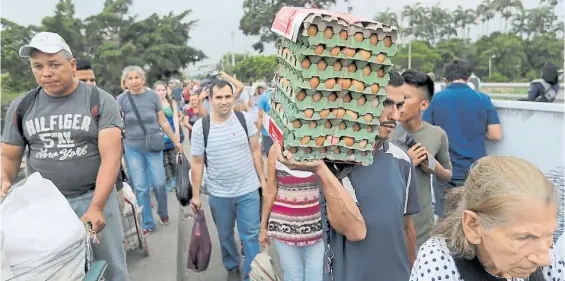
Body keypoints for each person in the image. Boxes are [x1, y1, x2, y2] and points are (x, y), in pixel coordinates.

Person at [1, 32, 129, 281]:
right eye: (38, 66)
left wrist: (97, 207)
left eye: (54, 64)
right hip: (45, 208)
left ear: (72, 65)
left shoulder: (99, 100)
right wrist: (5, 178)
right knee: (57, 271)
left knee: (110, 268)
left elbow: (111, 158)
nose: (45, 73)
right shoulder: (22, 106)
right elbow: (9, 155)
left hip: (92, 197)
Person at [277, 72, 420, 281]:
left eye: (399, 106)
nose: (395, 116)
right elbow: (354, 231)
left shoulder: (402, 161)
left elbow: (406, 227)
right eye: (386, 104)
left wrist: (413, 270)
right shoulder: (333, 163)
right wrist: (320, 170)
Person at [410, 156, 564, 281]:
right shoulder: (440, 262)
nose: (545, 260)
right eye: (524, 237)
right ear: (473, 226)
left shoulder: (544, 249)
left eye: (549, 236)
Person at [190, 78, 266, 281]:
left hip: (248, 190)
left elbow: (255, 150)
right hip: (219, 193)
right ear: (210, 100)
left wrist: (263, 181)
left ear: (233, 97)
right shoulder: (200, 127)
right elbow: (197, 162)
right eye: (219, 97)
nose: (224, 101)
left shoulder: (244, 119)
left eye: (228, 97)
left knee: (250, 235)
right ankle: (232, 266)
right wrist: (196, 196)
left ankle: (252, 274)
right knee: (225, 235)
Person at [423, 60, 502, 217]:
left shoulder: (435, 100)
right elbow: (495, 134)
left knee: (445, 217)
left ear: (445, 79)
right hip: (476, 170)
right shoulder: (483, 99)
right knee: (473, 216)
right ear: (469, 77)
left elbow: (425, 134)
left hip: (445, 170)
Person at [117, 65, 182, 236]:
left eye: (137, 77)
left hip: (153, 145)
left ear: (143, 79)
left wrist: (176, 140)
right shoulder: (121, 99)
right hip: (132, 148)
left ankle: (163, 211)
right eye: (130, 78)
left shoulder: (152, 96)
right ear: (125, 81)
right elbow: (117, 125)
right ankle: (147, 222)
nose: (134, 81)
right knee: (141, 187)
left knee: (160, 183)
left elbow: (163, 122)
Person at [392, 70, 452, 251]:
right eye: (397, 97)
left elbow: (447, 175)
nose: (399, 103)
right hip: (391, 225)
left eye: (406, 97)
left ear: (423, 104)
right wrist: (406, 162)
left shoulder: (437, 134)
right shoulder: (384, 131)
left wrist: (432, 166)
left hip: (423, 227)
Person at [260, 145, 323, 281]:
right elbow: (270, 190)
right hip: (284, 226)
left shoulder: (321, 145)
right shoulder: (276, 148)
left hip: (318, 225)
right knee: (293, 275)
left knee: (317, 274)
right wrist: (263, 226)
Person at [155, 81, 182, 192]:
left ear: (167, 91)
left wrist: (176, 132)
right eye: (158, 90)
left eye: (163, 90)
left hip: (172, 135)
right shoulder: (154, 104)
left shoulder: (172, 102)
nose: (161, 92)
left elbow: (175, 117)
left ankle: (176, 179)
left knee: (173, 159)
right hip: (160, 137)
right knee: (164, 162)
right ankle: (168, 181)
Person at [256, 88, 273, 155]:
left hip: (267, 133)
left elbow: (260, 116)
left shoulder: (264, 96)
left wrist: (256, 135)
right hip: (280, 133)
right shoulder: (282, 95)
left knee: (270, 156)